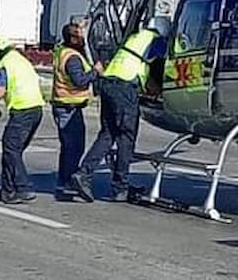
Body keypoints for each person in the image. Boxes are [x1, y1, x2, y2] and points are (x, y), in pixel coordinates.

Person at [70, 17, 170, 203]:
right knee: (126, 137)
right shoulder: (156, 41)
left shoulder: (134, 37)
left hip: (108, 84)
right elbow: (159, 69)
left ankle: (84, 174)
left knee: (107, 134)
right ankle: (120, 187)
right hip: (125, 88)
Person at [0, 34, 45, 204]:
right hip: (37, 108)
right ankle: (7, 190)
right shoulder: (20, 59)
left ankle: (23, 187)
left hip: (21, 109)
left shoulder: (3, 65)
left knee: (11, 150)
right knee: (13, 152)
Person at [50, 23, 102, 196]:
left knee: (70, 147)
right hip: (67, 107)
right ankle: (67, 181)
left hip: (66, 105)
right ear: (73, 38)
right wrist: (95, 72)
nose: (83, 39)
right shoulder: (72, 57)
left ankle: (64, 181)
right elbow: (80, 80)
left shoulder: (63, 51)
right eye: (80, 36)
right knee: (73, 146)